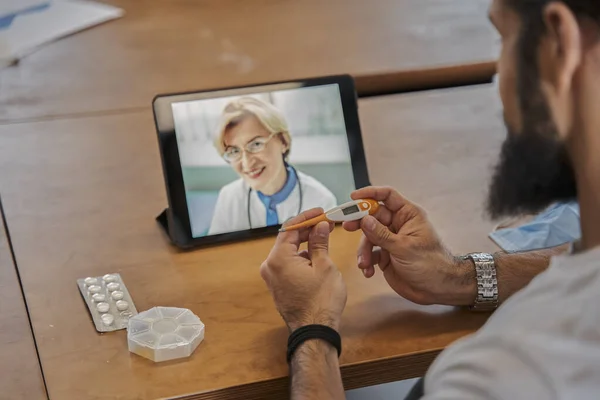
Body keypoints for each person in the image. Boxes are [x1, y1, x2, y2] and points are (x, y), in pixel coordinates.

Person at [259, 0, 600, 398]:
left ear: (559, 45)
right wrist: (460, 277)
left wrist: (310, 325)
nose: (499, 78)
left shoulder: (505, 378)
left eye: (502, 39)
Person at [207, 97, 337, 236]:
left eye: (256, 144)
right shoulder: (229, 197)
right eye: (234, 151)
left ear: (283, 141)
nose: (247, 163)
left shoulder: (320, 200)